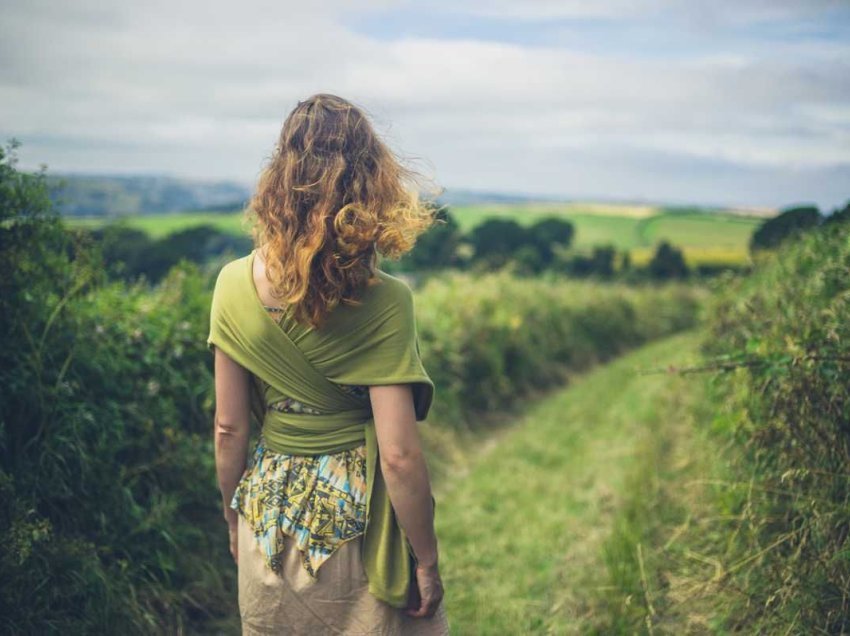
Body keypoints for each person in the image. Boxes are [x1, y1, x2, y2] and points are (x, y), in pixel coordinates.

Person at [206, 93, 449, 635]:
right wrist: (426, 559)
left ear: (279, 176)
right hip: (356, 521)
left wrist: (232, 515)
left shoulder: (230, 285)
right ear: (372, 183)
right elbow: (401, 455)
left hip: (265, 518)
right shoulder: (385, 301)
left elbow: (228, 428)